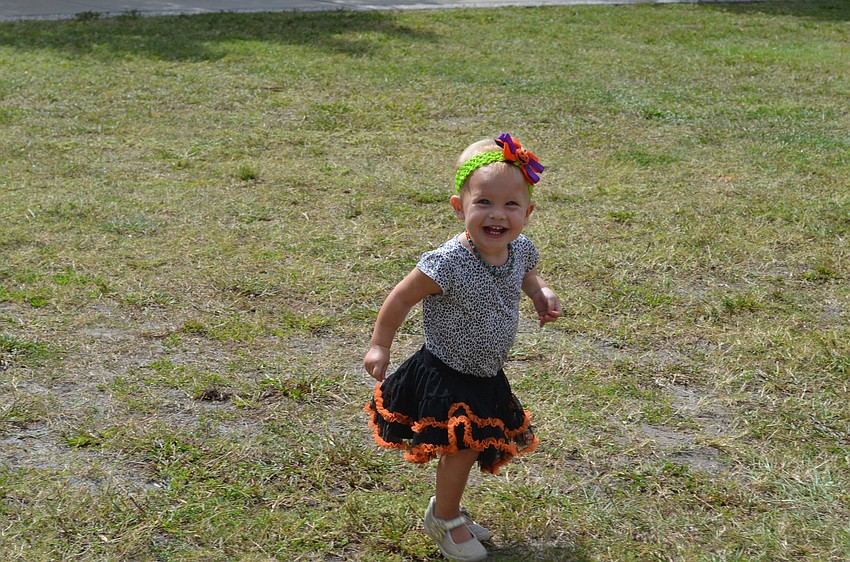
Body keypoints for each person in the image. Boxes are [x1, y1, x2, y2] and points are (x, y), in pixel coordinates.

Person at [363, 133, 562, 562]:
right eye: (483, 202)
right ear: (460, 207)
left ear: (528, 212)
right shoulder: (446, 262)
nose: (497, 214)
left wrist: (541, 293)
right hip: (447, 371)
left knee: (468, 449)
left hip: (487, 371)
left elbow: (529, 275)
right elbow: (400, 299)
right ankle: (445, 519)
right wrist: (380, 345)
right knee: (464, 447)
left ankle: (448, 510)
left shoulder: (519, 249)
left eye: (511, 205)